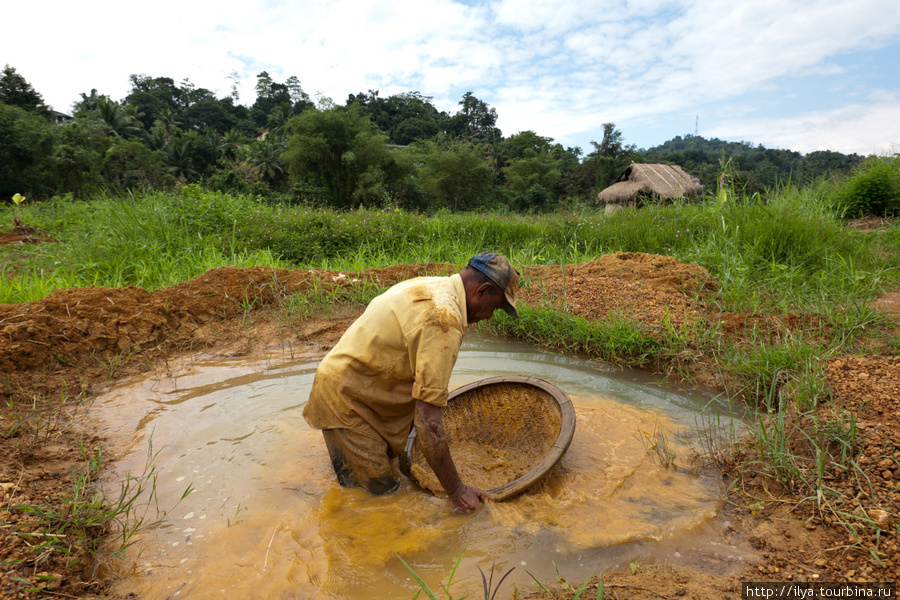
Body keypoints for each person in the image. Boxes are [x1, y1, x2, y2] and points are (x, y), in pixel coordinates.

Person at [303, 252, 519, 513]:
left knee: (381, 480)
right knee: (378, 501)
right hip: (348, 401)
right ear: (483, 291)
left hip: (363, 386)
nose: (490, 317)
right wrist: (457, 491)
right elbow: (428, 420)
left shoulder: (435, 286)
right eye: (495, 308)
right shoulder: (444, 321)